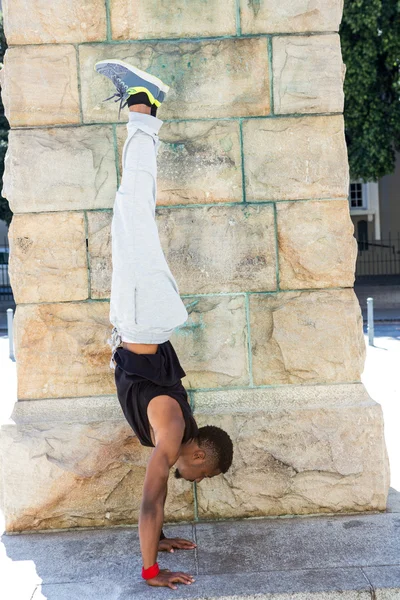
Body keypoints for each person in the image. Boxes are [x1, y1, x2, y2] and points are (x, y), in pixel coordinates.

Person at [95, 60, 234, 590]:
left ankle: (142, 110)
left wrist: (164, 538)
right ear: (198, 454)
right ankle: (143, 106)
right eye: (201, 474)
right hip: (142, 314)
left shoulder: (177, 430)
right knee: (132, 209)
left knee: (132, 212)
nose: (193, 479)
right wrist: (151, 570)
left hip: (141, 316)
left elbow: (162, 497)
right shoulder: (175, 432)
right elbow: (152, 497)